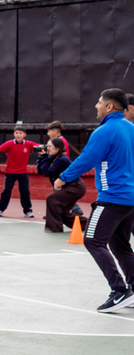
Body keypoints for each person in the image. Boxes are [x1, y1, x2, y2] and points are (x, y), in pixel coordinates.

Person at [57, 88, 134, 312]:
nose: (96, 106)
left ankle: (119, 290)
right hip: (129, 199)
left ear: (109, 106)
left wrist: (63, 178)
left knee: (92, 240)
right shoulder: (131, 128)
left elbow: (86, 159)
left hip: (112, 198)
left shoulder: (105, 131)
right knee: (120, 244)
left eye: (99, 102)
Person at [38, 138, 85, 233]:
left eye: (50, 146)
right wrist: (41, 157)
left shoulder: (62, 160)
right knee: (62, 213)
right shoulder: (53, 157)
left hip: (75, 187)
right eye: (47, 146)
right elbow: (41, 171)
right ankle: (87, 225)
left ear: (58, 148)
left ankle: (54, 227)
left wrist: (44, 157)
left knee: (52, 199)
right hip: (70, 187)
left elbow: (48, 172)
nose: (47, 148)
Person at [0, 127, 37, 218]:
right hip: (10, 172)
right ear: (14, 134)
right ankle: (0, 209)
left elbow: (39, 147)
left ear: (24, 134)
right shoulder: (10, 143)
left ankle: (28, 211)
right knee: (7, 190)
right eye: (16, 133)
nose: (18, 135)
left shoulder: (28, 144)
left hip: (23, 173)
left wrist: (45, 148)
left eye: (20, 133)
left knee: (25, 191)